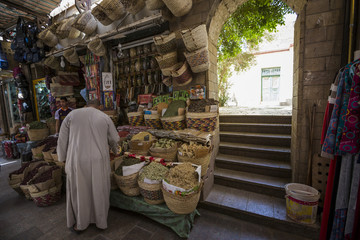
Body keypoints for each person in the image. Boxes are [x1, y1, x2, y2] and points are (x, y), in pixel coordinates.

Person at [57, 99, 120, 232]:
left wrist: (62, 158)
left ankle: (81, 224)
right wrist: (116, 151)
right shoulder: (104, 117)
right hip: (98, 160)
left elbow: (62, 139)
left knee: (80, 192)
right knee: (99, 190)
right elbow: (115, 140)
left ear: (86, 105)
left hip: (77, 159)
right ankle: (101, 222)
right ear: (99, 106)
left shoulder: (71, 115)